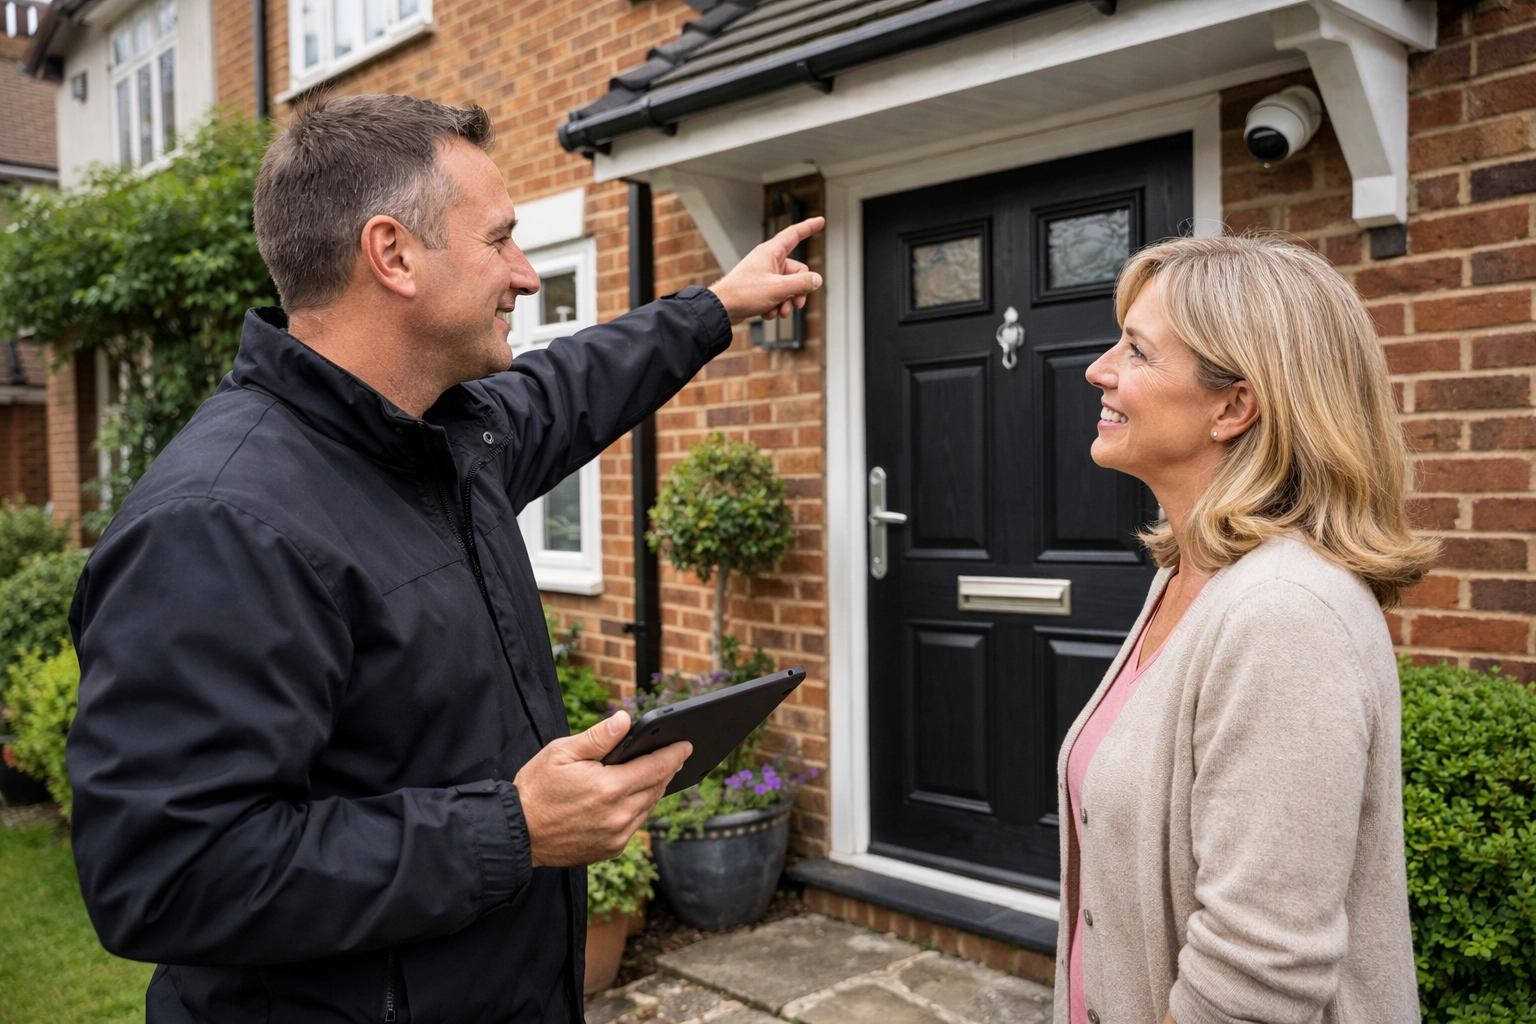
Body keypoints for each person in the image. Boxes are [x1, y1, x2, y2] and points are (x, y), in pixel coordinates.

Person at [65, 94, 823, 1024]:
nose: (526, 274)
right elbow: (169, 872)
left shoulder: (442, 442)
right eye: (501, 239)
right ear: (393, 255)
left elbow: (571, 387)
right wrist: (513, 829)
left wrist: (715, 307)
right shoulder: (220, 526)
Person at [1059, 234, 1435, 1024]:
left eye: (1136, 349)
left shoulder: (1286, 614)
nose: (1099, 370)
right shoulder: (1186, 574)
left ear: (1234, 406)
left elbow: (1256, 976)